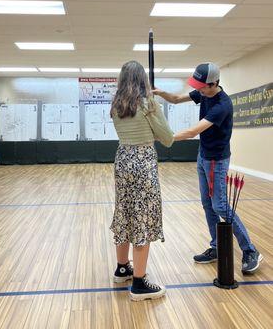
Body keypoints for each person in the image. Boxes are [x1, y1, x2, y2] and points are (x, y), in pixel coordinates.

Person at [153, 63, 263, 274]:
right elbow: (176, 100)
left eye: (202, 86)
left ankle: (250, 251)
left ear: (213, 83)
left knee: (220, 206)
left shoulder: (222, 105)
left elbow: (194, 131)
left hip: (216, 160)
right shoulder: (204, 93)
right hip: (203, 155)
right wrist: (160, 93)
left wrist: (165, 136)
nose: (199, 90)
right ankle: (217, 247)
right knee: (207, 204)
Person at [110, 60, 174, 301]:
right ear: (142, 80)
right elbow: (167, 138)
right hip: (143, 162)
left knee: (125, 212)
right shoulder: (148, 104)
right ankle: (139, 283)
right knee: (143, 218)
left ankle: (122, 268)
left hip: (123, 159)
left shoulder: (116, 105)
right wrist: (155, 108)